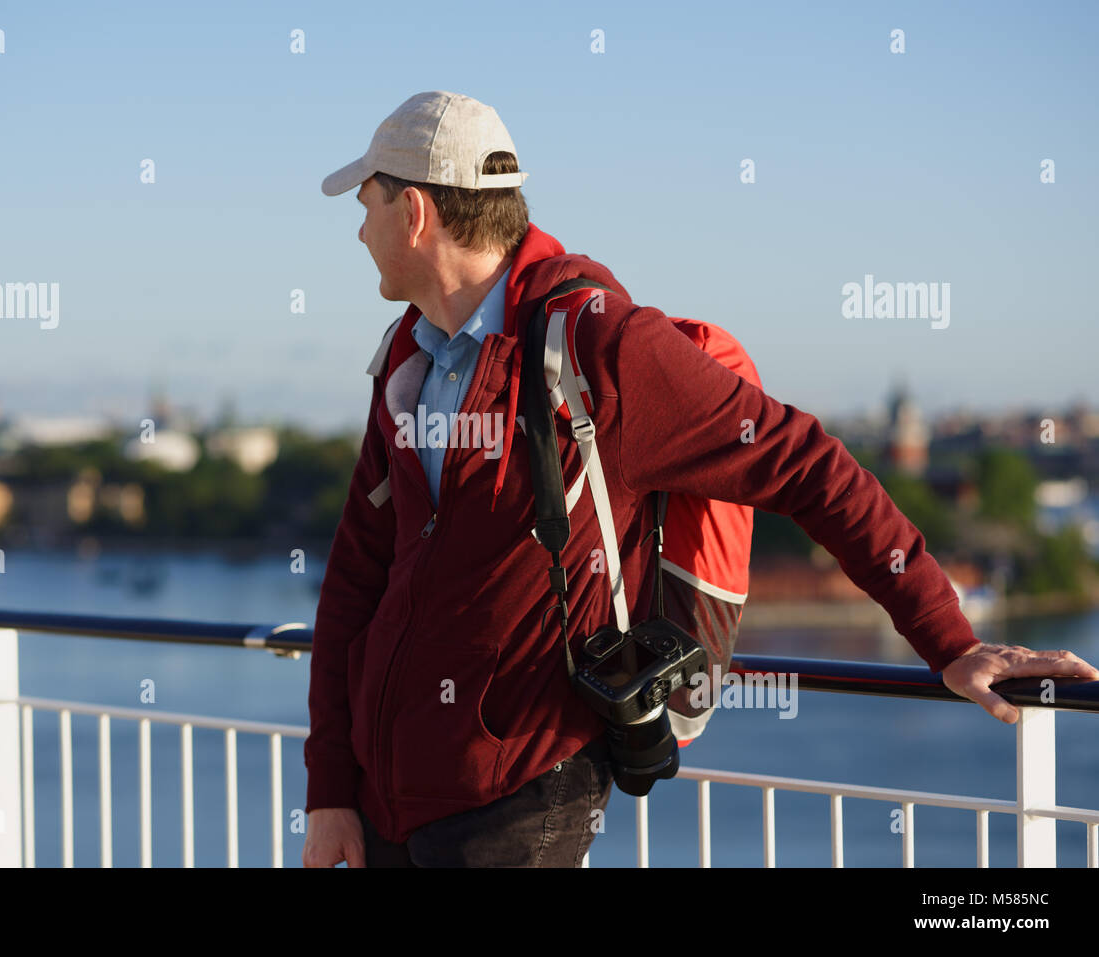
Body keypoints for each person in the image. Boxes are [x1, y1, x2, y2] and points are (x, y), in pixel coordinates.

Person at [302, 91, 1099, 869]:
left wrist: (948, 641)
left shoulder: (597, 348)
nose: (359, 229)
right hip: (384, 807)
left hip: (515, 797)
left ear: (415, 214)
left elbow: (805, 462)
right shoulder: (409, 360)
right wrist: (332, 792)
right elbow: (356, 580)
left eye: (367, 203)